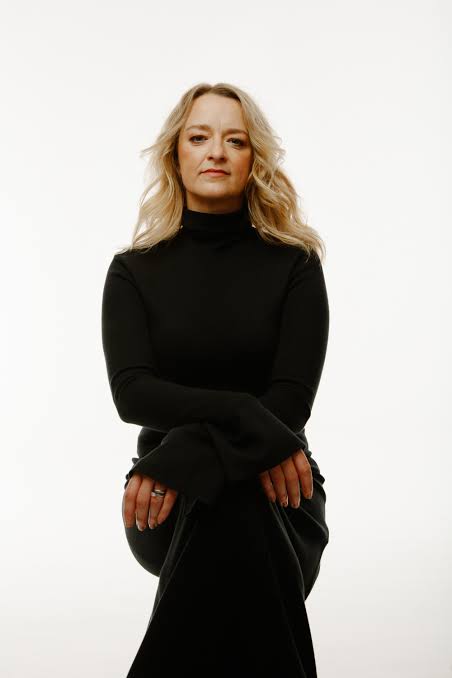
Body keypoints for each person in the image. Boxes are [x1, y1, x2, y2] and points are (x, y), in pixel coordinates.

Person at [101, 82, 330, 678]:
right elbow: (132, 394)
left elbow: (291, 401)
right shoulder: (133, 272)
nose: (216, 152)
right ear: (174, 153)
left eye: (235, 141)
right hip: (167, 497)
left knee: (234, 501)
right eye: (199, 137)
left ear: (255, 159)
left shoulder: (296, 264)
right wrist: (243, 414)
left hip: (280, 491)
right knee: (229, 501)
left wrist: (188, 450)